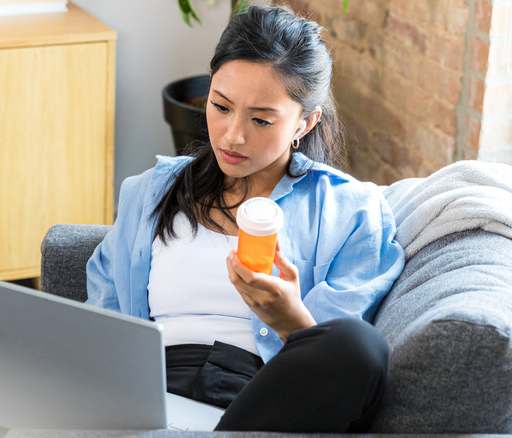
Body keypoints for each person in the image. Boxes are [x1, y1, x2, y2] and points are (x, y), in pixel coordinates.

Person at [86, 5, 405, 433]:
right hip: (151, 397)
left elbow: (343, 368)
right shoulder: (149, 193)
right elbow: (101, 327)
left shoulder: (349, 210)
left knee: (359, 346)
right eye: (220, 107)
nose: (232, 135)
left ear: (305, 122)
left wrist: (290, 320)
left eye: (260, 119)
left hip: (264, 401)